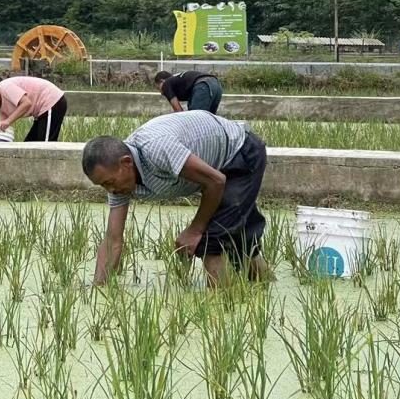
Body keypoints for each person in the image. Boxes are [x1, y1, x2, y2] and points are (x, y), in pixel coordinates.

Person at [82, 111, 271, 288]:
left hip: (238, 154)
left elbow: (216, 181)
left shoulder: (156, 149)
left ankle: (222, 310)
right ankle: (265, 285)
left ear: (126, 162)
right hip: (213, 171)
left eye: (110, 182)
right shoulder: (118, 185)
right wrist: (99, 288)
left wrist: (194, 230)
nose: (111, 190)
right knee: (241, 239)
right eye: (103, 186)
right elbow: (112, 239)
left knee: (212, 240)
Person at [0, 76, 67, 141]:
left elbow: (26, 103)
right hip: (41, 112)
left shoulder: (5, 87)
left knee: (43, 146)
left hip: (51, 101)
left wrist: (8, 121)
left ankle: (45, 173)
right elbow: (2, 128)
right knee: (29, 145)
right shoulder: (1, 105)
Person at [153, 69, 223, 114]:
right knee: (210, 120)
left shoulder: (166, 84)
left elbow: (179, 111)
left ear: (162, 81)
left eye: (158, 88)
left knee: (194, 120)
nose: (161, 93)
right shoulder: (177, 80)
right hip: (216, 85)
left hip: (203, 86)